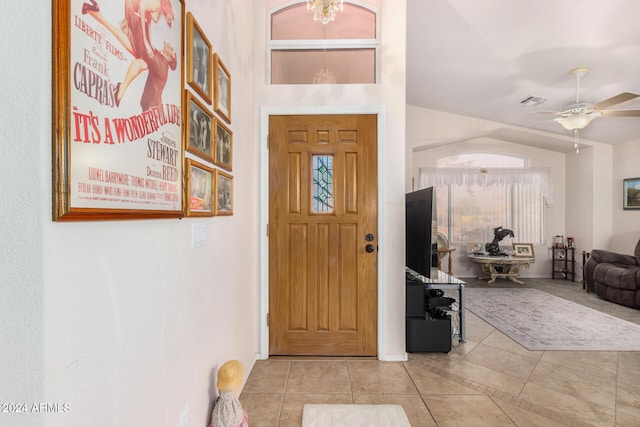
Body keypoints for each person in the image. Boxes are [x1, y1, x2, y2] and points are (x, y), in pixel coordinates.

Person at [82, 0, 175, 108]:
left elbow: (148, 20)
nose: (168, 20)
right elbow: (142, 6)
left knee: (141, 57)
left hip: (137, 14)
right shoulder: (157, 4)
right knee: (143, 56)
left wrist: (150, 43)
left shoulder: (158, 11)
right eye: (169, 17)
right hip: (133, 9)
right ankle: (121, 89)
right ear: (168, 9)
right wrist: (145, 41)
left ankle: (93, 11)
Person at [210, 360, 249, 427]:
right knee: (236, 417)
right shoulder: (231, 388)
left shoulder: (221, 388)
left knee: (221, 420)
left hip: (221, 407)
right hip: (233, 407)